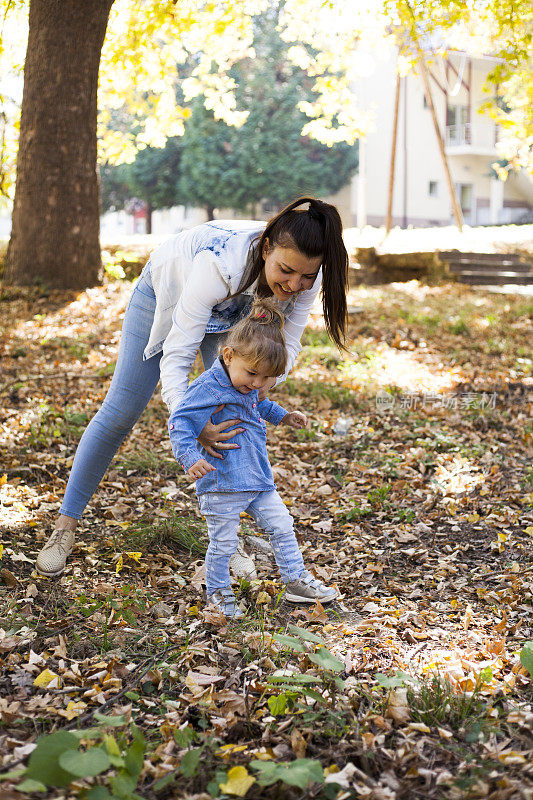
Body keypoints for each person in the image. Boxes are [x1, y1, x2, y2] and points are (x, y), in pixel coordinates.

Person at [35, 196, 349, 577]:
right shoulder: (218, 265)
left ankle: (227, 539)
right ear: (267, 248)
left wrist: (261, 386)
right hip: (165, 295)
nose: (294, 285)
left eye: (306, 277)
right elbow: (178, 355)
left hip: (238, 313)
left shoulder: (301, 280)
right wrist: (190, 419)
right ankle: (64, 527)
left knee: (230, 417)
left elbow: (289, 345)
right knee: (120, 411)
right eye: (286, 271)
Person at [169, 300, 338, 618]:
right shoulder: (207, 388)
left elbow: (259, 405)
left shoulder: (248, 385)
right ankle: (218, 592)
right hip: (223, 481)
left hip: (258, 478)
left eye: (266, 378)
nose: (258, 384)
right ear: (228, 355)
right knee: (224, 543)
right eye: (252, 374)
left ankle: (296, 581)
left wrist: (284, 416)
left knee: (282, 526)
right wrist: (190, 456)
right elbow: (179, 422)